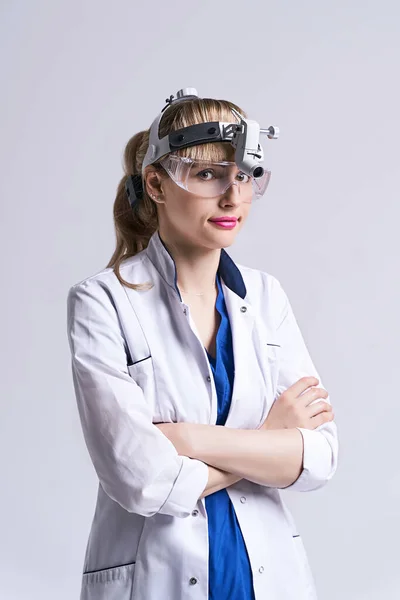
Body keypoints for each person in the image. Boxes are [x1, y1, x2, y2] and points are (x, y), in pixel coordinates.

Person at [66, 87, 338, 600]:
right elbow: (142, 478)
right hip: (156, 579)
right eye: (208, 174)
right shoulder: (103, 301)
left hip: (267, 577)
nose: (233, 196)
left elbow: (318, 458)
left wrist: (187, 440)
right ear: (157, 183)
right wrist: (270, 438)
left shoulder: (265, 296)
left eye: (244, 176)